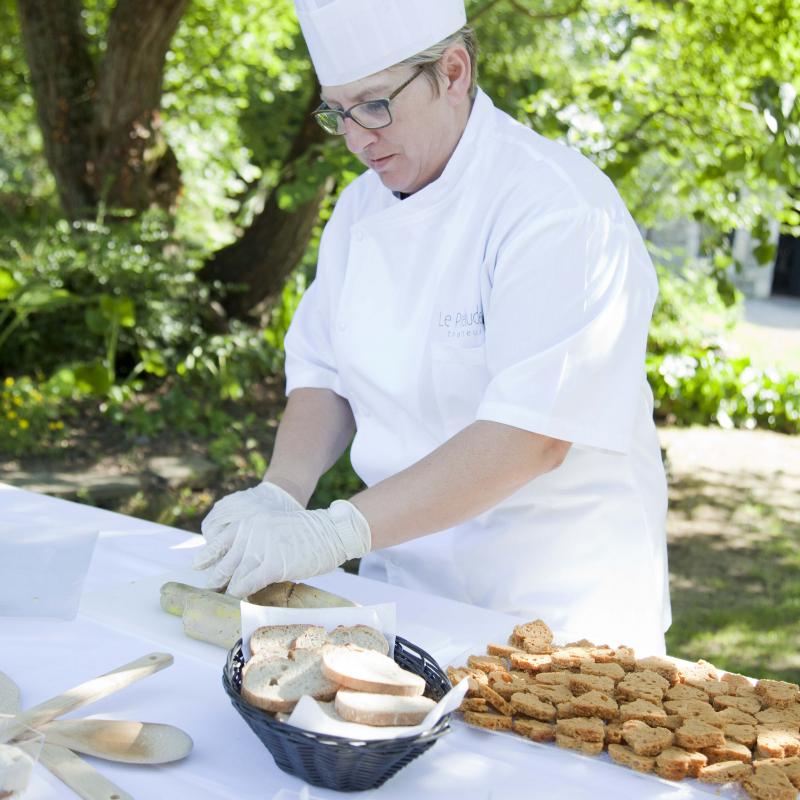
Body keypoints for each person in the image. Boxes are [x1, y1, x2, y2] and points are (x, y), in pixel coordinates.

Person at [194, 0, 671, 656]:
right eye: (337, 112)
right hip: (407, 587)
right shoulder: (360, 211)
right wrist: (281, 493)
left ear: (452, 72)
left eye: (374, 105)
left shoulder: (558, 209)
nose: (358, 137)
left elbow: (530, 437)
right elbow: (323, 375)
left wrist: (335, 534)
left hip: (557, 610)